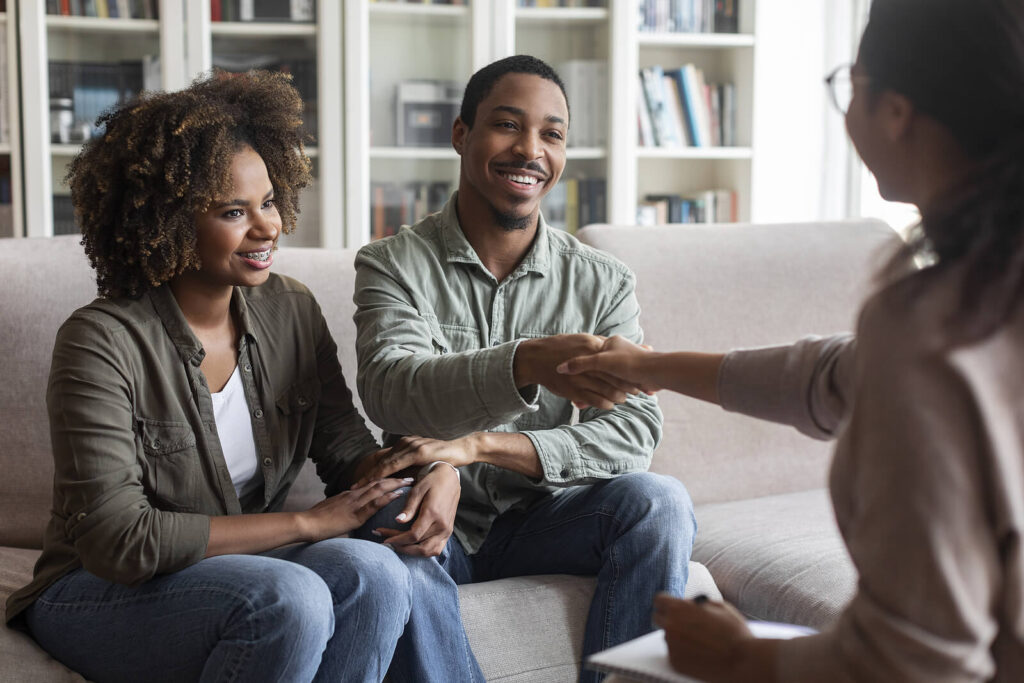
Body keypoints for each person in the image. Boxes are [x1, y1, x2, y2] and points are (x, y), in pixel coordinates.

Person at [558, 0, 1024, 680]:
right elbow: (830, 377)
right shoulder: (979, 297)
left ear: (895, 110)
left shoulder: (932, 326)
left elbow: (919, 659)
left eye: (851, 85)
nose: (846, 110)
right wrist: (648, 365)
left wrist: (744, 656)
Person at [5, 71, 413, 683]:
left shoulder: (291, 309)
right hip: (96, 590)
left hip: (252, 567)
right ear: (168, 221)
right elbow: (120, 540)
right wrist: (306, 523)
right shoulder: (102, 341)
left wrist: (426, 471)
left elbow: (345, 448)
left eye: (269, 202)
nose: (268, 227)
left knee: (374, 573)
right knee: (288, 597)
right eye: (233, 211)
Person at [350, 55, 696, 683]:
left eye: (552, 134)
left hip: (549, 518)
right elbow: (391, 390)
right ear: (462, 135)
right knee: (379, 519)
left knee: (659, 502)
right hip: (429, 516)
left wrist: (475, 448)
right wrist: (526, 362)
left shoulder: (603, 282)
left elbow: (634, 433)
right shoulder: (392, 264)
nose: (530, 150)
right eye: (508, 126)